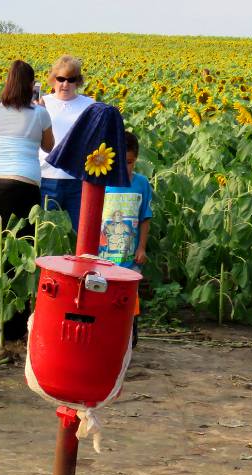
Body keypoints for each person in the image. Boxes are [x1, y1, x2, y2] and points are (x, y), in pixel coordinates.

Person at [0, 60, 55, 341]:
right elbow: (48, 147)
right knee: (19, 251)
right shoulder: (40, 113)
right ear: (31, 84)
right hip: (23, 183)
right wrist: (38, 106)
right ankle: (14, 326)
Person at [98, 131, 153, 346]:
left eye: (129, 162)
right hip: (104, 254)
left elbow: (145, 218)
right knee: (103, 298)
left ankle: (130, 339)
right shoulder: (102, 183)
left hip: (130, 256)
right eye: (121, 162)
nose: (125, 168)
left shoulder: (141, 184)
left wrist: (142, 248)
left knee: (129, 300)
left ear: (136, 160)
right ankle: (106, 338)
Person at [38, 55, 95, 231]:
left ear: (78, 82)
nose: (65, 84)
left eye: (71, 80)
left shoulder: (89, 104)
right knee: (48, 233)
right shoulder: (43, 102)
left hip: (77, 178)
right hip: (47, 177)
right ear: (53, 79)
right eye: (61, 79)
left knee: (80, 233)